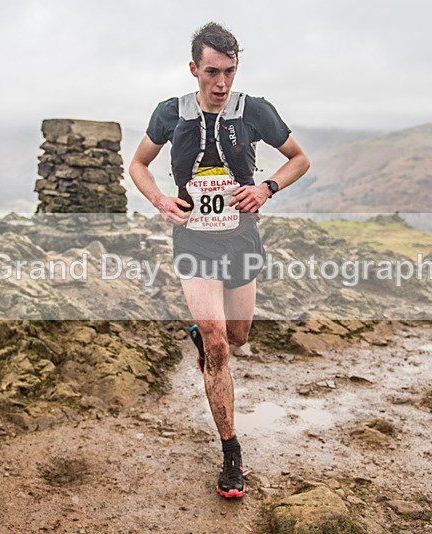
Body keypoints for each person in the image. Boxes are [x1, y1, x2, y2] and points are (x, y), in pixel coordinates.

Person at [129, 22, 310, 498]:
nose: (221, 83)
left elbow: (298, 159)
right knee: (218, 344)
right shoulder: (170, 114)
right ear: (194, 69)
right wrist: (161, 202)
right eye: (212, 72)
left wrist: (267, 187)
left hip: (241, 239)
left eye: (229, 71)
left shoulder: (255, 111)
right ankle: (231, 454)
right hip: (194, 242)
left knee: (238, 335)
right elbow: (138, 165)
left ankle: (201, 336)